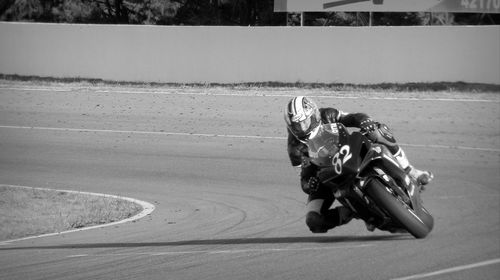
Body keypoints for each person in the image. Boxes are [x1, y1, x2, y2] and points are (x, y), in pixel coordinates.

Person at [284, 96, 434, 233]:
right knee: (313, 220)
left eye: (304, 122)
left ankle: (411, 170)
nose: (302, 128)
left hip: (349, 148)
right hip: (326, 174)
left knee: (378, 132)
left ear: (313, 114)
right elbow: (304, 176)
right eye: (297, 125)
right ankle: (350, 212)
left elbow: (352, 117)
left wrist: (365, 121)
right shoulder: (294, 149)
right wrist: (309, 184)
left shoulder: (327, 114)